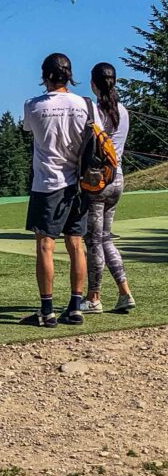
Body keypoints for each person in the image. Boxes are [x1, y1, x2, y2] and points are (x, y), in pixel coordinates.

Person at [22, 53, 89, 327]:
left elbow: (29, 130)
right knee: (76, 243)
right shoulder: (85, 105)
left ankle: (47, 310)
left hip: (47, 182)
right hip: (78, 183)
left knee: (45, 245)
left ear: (46, 76)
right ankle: (75, 306)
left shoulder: (33, 106)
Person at [81, 62, 135, 315]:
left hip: (96, 181)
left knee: (93, 241)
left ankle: (94, 297)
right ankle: (125, 292)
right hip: (118, 178)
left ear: (94, 83)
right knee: (106, 238)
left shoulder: (92, 110)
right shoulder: (123, 111)